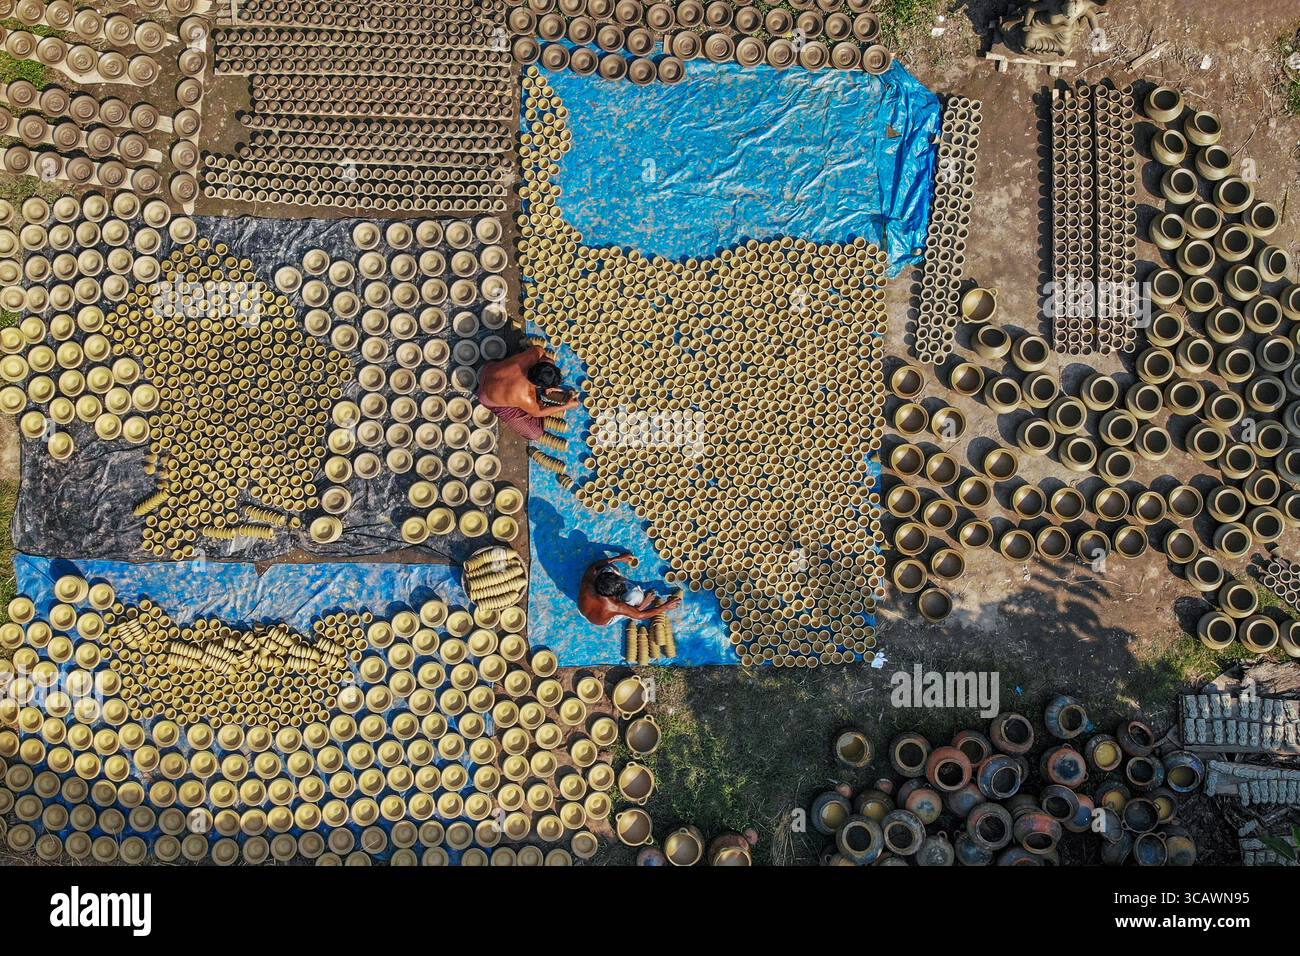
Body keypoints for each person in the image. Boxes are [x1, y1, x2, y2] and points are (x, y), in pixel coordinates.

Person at [478, 346, 579, 440]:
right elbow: (539, 412)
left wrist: (550, 382)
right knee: (535, 433)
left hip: (487, 370)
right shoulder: (525, 397)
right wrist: (566, 406)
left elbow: (545, 357)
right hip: (486, 396)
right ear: (538, 385)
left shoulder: (535, 353)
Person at [578, 554, 681, 626]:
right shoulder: (615, 607)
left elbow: (594, 566)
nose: (623, 579)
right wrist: (665, 607)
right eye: (621, 582)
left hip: (585, 610)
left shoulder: (587, 584)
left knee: (607, 569)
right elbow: (640, 615)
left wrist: (618, 558)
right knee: (636, 594)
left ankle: (631, 606)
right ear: (614, 595)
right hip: (606, 619)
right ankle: (639, 606)